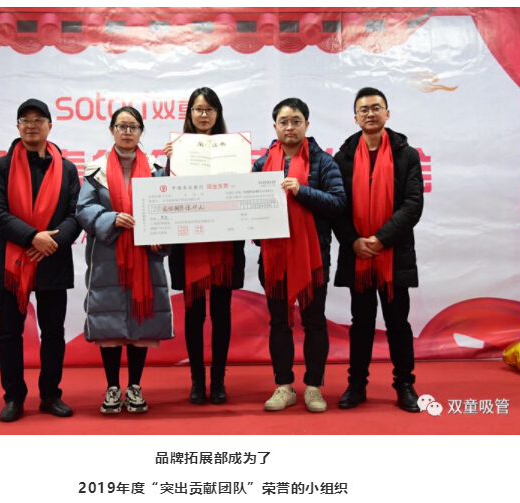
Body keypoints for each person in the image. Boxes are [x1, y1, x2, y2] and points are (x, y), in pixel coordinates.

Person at [0, 98, 81, 422]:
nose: (32, 125)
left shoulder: (67, 169)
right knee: (9, 334)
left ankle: (50, 395)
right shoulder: (1, 167)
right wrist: (31, 237)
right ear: (17, 127)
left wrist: (52, 241)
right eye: (25, 120)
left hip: (52, 258)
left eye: (39, 119)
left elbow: (75, 214)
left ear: (50, 126)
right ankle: (13, 397)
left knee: (52, 333)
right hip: (14, 261)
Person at [332, 87, 424, 412]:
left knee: (398, 323)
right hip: (357, 255)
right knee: (361, 323)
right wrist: (354, 241)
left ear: (388, 113)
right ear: (355, 117)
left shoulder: (406, 155)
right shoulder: (342, 158)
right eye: (364, 109)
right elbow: (337, 207)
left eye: (376, 108)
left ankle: (405, 385)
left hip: (393, 255)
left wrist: (381, 239)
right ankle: (356, 384)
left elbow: (412, 205)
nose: (370, 114)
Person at [77, 106, 173, 415]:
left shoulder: (158, 170)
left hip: (146, 257)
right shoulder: (96, 171)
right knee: (110, 322)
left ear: (141, 131)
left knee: (141, 322)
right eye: (122, 126)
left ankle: (134, 386)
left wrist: (161, 234)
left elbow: (169, 208)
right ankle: (111, 387)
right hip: (109, 257)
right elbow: (83, 209)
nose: (127, 132)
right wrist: (112, 218)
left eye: (133, 127)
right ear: (112, 130)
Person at [253, 98, 345, 412]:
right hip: (274, 259)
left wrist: (301, 190)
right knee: (279, 323)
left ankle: (314, 387)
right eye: (283, 121)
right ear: (275, 126)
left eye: (296, 121)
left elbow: (338, 203)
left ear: (307, 124)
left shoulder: (323, 161)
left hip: (312, 258)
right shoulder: (262, 164)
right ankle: (284, 386)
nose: (289, 127)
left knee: (314, 323)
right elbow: (249, 209)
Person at [163, 87, 246, 405]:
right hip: (190, 244)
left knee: (222, 314)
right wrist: (169, 163)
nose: (204, 114)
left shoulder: (234, 149)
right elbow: (166, 194)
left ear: (217, 114)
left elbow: (242, 190)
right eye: (198, 109)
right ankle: (197, 380)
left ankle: (219, 380)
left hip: (224, 243)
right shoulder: (177, 150)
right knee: (194, 314)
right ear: (190, 114)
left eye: (210, 109)